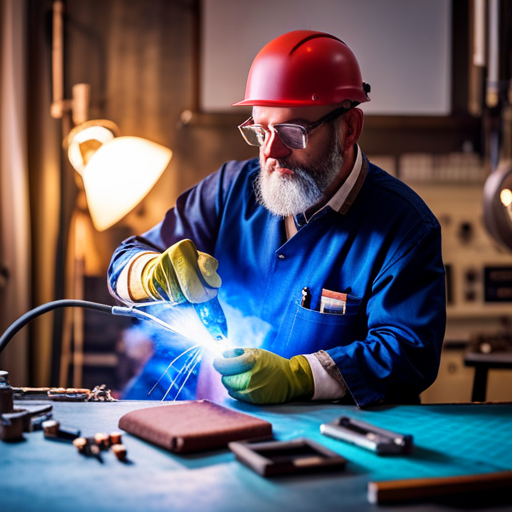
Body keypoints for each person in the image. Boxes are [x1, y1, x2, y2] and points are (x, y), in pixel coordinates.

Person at [108, 30, 446, 408]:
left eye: (292, 131)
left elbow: (408, 352)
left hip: (331, 442)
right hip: (215, 426)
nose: (271, 151)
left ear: (349, 128)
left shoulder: (405, 226)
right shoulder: (229, 189)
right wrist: (150, 272)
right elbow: (124, 261)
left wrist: (301, 376)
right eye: (260, 130)